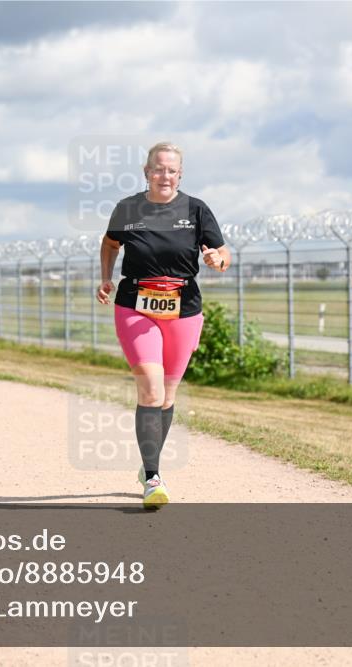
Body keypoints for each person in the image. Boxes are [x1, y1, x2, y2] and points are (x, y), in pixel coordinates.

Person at [97, 142, 230, 509]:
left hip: (184, 308)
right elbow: (109, 244)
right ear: (146, 172)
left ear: (180, 174)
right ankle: (154, 477)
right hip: (135, 305)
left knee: (168, 396)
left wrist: (217, 259)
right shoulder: (128, 209)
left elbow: (223, 252)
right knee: (151, 391)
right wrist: (106, 277)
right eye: (158, 169)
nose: (164, 175)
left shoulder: (196, 209)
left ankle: (147, 465)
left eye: (171, 170)